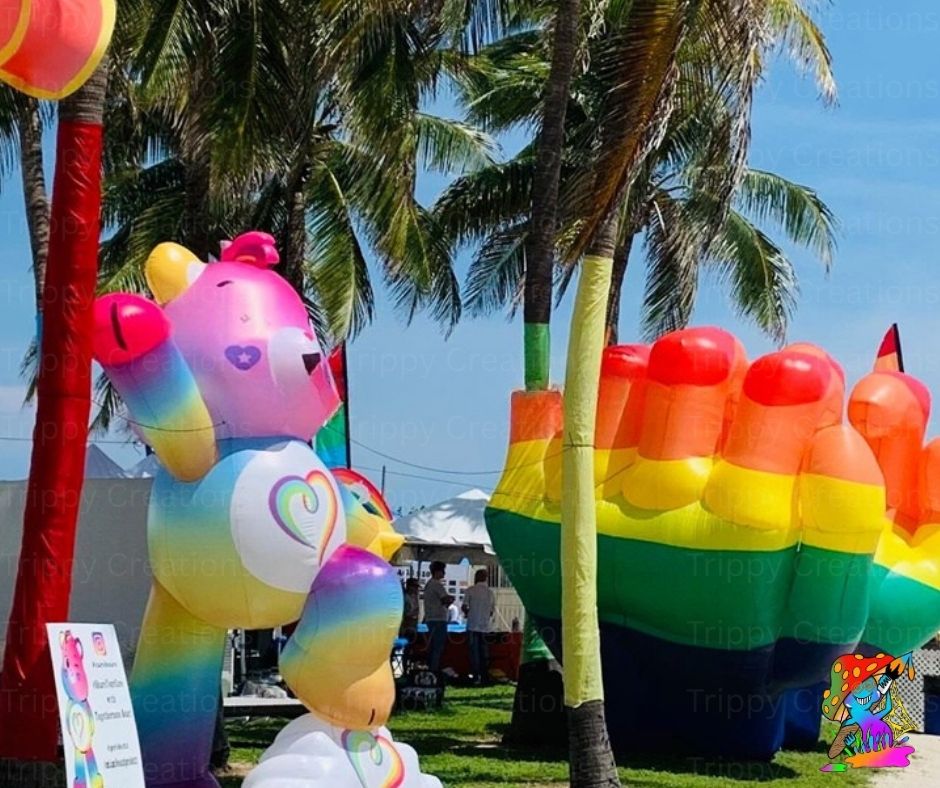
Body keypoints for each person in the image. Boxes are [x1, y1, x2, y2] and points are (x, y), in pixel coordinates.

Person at [462, 569, 496, 684]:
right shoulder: (490, 593)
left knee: (474, 653)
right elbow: (492, 611)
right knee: (484, 652)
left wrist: (467, 613)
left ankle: (475, 676)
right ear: (486, 578)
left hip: (472, 625)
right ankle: (485, 676)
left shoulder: (470, 590)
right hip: (485, 626)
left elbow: (464, 606)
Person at [423, 561, 453, 676]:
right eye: (443, 571)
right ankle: (434, 671)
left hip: (431, 619)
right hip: (438, 619)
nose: (444, 573)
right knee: (437, 647)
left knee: (433, 647)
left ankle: (431, 669)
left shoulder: (429, 584)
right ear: (437, 571)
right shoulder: (436, 584)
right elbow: (446, 599)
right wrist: (450, 599)